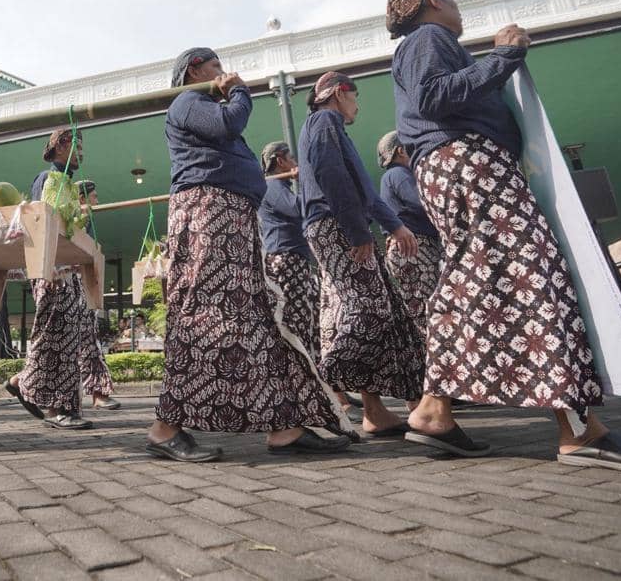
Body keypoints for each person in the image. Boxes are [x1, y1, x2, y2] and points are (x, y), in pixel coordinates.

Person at [387, 0, 621, 472]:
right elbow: (433, 98)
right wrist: (505, 56)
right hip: (471, 162)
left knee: (473, 284)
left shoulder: (423, 43)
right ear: (434, 0)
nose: (460, 7)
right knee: (533, 273)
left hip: (454, 167)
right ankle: (578, 430)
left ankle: (433, 411)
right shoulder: (429, 38)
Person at [145, 48, 355, 462]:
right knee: (205, 314)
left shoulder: (199, 105)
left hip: (230, 218)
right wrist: (239, 92)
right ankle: (164, 427)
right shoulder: (190, 101)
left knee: (254, 319)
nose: (224, 74)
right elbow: (229, 121)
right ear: (195, 70)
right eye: (216, 68)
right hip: (208, 215)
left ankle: (284, 428)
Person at [297, 73, 425, 438]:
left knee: (389, 315)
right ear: (339, 92)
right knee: (369, 309)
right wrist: (356, 230)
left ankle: (375, 411)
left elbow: (364, 191)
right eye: (355, 96)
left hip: (339, 221)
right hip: (335, 224)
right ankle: (318, 392)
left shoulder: (330, 126)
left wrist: (395, 226)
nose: (358, 105)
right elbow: (331, 176)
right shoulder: (323, 121)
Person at [3, 128, 94, 430]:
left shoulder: (67, 183)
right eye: (77, 146)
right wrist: (49, 268)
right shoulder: (47, 178)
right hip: (52, 269)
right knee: (54, 335)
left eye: (83, 147)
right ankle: (53, 407)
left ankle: (35, 388)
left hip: (68, 269)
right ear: (60, 146)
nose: (81, 152)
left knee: (68, 337)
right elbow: (41, 224)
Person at [257, 142, 321, 368]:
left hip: (293, 257)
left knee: (309, 317)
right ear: (280, 161)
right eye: (291, 158)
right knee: (298, 319)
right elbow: (297, 210)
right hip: (286, 258)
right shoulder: (273, 185)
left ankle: (327, 387)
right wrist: (305, 181)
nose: (294, 163)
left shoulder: (279, 186)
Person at [376, 130, 443, 341]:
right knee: (427, 308)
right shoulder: (398, 175)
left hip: (412, 249)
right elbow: (423, 201)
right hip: (415, 250)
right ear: (401, 151)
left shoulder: (393, 176)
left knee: (421, 308)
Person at [75, 180, 120, 410]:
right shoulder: (76, 219)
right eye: (94, 196)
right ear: (82, 199)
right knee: (83, 343)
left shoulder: (86, 220)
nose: (97, 201)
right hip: (75, 287)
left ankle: (98, 392)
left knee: (85, 342)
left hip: (83, 288)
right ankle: (21, 382)